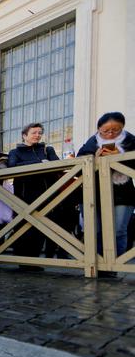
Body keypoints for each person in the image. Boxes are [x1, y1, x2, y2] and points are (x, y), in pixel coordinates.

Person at [77, 112, 135, 275]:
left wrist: (121, 156)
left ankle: (112, 267)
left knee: (118, 230)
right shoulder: (92, 141)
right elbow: (79, 161)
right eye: (105, 131)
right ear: (98, 129)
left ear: (122, 127)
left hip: (123, 192)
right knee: (94, 230)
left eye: (115, 130)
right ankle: (96, 265)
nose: (110, 134)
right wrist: (94, 157)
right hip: (93, 192)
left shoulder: (131, 140)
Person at [7, 123, 59, 268]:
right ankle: (23, 261)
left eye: (39, 133)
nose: (37, 135)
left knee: (41, 228)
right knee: (23, 228)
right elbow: (12, 167)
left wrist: (44, 161)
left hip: (46, 194)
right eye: (34, 132)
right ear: (24, 135)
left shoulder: (47, 149)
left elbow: (56, 164)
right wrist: (39, 162)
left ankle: (35, 261)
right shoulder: (15, 151)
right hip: (24, 195)